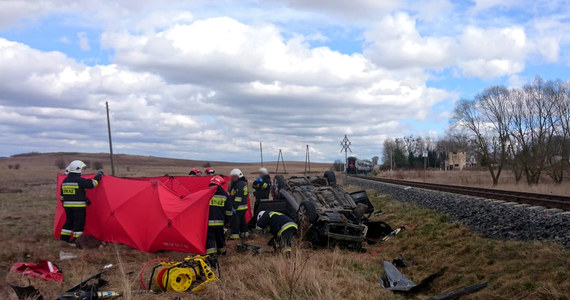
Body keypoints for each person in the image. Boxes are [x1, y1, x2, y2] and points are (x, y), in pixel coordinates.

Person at [60, 160, 103, 243]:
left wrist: (84, 198)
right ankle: (77, 240)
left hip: (67, 207)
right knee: (78, 224)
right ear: (78, 169)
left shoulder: (65, 181)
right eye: (82, 169)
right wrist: (99, 176)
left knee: (69, 222)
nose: (83, 171)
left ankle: (64, 239)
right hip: (79, 207)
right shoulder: (79, 180)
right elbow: (92, 184)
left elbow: (62, 197)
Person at [206, 175, 232, 256]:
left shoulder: (206, 193)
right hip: (220, 223)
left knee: (210, 239)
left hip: (208, 223)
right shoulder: (224, 195)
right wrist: (227, 222)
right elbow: (228, 211)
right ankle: (222, 252)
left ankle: (211, 255)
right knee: (220, 238)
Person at [228, 168, 249, 241]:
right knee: (243, 221)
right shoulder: (242, 183)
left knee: (235, 222)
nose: (232, 178)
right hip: (243, 207)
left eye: (234, 176)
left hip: (238, 207)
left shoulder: (239, 185)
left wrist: (234, 207)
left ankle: (235, 236)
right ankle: (245, 234)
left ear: (238, 176)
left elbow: (238, 198)